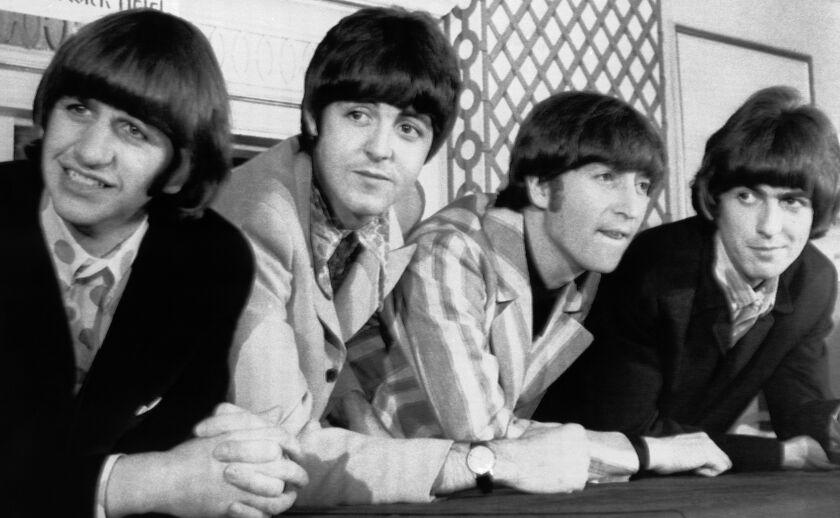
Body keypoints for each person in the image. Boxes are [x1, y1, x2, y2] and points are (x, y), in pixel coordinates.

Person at [215, 6, 592, 505]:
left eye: (409, 129)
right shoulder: (256, 222)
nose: (381, 149)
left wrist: (350, 402)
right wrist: (492, 463)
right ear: (312, 117)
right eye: (358, 115)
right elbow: (277, 456)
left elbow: (327, 332)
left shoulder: (398, 204)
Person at [1, 10, 307, 518]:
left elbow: (182, 438)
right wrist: (143, 483)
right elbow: (160, 474)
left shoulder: (213, 258)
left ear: (178, 169)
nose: (90, 151)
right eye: (78, 108)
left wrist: (243, 471)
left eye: (133, 131)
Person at [362, 91, 731, 480]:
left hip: (462, 486)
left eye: (642, 185)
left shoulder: (583, 271)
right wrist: (643, 452)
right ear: (540, 186)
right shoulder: (450, 250)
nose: (632, 207)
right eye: (606, 177)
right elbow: (483, 434)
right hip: (373, 483)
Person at [555, 86, 840, 472]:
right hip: (573, 476)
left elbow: (798, 406)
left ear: (817, 210)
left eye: (791, 201)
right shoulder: (651, 268)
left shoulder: (814, 281)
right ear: (715, 199)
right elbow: (624, 431)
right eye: (747, 196)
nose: (770, 228)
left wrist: (831, 424)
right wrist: (781, 454)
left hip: (689, 482)